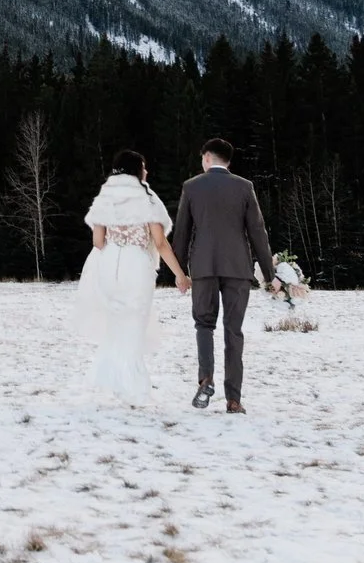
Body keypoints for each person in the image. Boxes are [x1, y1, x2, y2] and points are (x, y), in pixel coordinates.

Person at [72, 150, 189, 402]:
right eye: (144, 167)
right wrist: (180, 274)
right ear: (136, 170)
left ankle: (114, 380)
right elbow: (160, 243)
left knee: (115, 323)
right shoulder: (146, 198)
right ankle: (132, 384)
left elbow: (98, 240)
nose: (146, 171)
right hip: (136, 265)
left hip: (110, 264)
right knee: (135, 323)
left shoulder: (105, 196)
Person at [173, 137, 277, 414]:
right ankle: (234, 400)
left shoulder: (192, 187)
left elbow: (182, 232)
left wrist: (179, 271)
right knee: (234, 331)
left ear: (207, 158)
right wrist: (270, 274)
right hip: (237, 268)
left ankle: (206, 379)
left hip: (204, 267)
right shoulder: (244, 187)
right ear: (228, 161)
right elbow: (257, 232)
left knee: (204, 325)